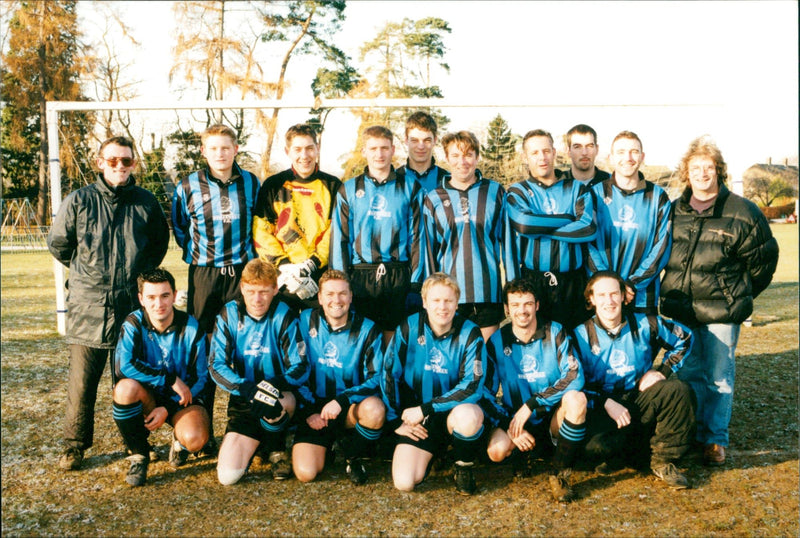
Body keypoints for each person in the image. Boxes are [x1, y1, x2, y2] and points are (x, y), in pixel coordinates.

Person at [48, 136, 170, 471]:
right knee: (82, 383)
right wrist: (88, 274)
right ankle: (74, 446)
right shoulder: (80, 201)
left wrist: (136, 278)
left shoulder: (145, 202)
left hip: (130, 305)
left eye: (126, 161)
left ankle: (137, 443)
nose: (119, 166)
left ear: (134, 164)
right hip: (88, 306)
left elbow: (158, 244)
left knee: (130, 381)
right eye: (112, 160)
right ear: (100, 162)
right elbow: (59, 244)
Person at [660, 137, 779, 466]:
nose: (701, 173)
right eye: (695, 168)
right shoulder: (673, 211)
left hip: (721, 314)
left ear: (719, 171)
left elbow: (763, 262)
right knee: (687, 377)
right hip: (680, 310)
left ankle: (714, 439)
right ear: (686, 172)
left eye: (708, 167)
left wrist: (736, 295)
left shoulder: (742, 211)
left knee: (718, 376)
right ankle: (690, 435)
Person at [171, 123, 261, 455]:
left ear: (236, 149)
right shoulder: (187, 185)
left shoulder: (251, 182)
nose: (220, 154)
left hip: (241, 273)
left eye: (226, 147)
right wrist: (202, 255)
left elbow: (259, 225)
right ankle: (196, 427)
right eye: (214, 148)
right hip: (205, 276)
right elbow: (180, 227)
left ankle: (245, 427)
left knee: (241, 347)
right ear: (203, 151)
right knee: (202, 349)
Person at [573, 271, 695, 490]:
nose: (608, 301)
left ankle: (663, 460)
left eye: (613, 294)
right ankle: (624, 455)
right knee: (593, 448)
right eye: (601, 295)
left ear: (623, 296)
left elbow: (684, 337)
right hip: (603, 406)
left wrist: (663, 371)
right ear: (591, 299)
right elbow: (574, 383)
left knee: (678, 390)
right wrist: (605, 402)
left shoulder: (646, 323)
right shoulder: (579, 334)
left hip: (638, 399)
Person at [208, 259, 311, 485]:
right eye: (252, 291)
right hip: (245, 398)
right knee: (227, 476)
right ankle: (258, 441)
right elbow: (217, 365)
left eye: (264, 292)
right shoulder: (229, 314)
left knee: (284, 403)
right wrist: (245, 387)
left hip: (279, 395)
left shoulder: (284, 314)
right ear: (242, 288)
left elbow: (301, 366)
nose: (257, 299)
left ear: (275, 289)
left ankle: (276, 449)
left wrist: (271, 386)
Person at [483, 278, 586, 502]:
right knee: (496, 451)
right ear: (506, 309)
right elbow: (485, 393)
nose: (522, 311)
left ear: (537, 305)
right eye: (516, 305)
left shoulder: (555, 331)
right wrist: (508, 427)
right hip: (515, 417)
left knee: (577, 400)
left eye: (528, 303)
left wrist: (533, 403)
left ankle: (559, 473)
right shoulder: (496, 341)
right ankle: (524, 452)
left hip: (550, 416)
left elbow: (574, 376)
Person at [382, 273, 487, 495]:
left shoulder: (470, 332)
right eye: (436, 300)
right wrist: (395, 421)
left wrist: (427, 408)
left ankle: (463, 464)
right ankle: (437, 453)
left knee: (469, 416)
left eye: (448, 300)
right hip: (420, 419)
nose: (442, 307)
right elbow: (389, 374)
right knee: (405, 483)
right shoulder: (409, 327)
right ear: (425, 302)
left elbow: (472, 386)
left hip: (452, 413)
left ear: (457, 303)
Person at [112, 268, 210, 486]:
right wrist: (168, 379)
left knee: (195, 439)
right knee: (124, 389)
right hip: (148, 396)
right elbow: (123, 367)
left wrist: (169, 408)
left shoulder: (191, 326)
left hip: (182, 400)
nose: (159, 304)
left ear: (174, 295)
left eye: (165, 296)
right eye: (151, 297)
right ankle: (139, 454)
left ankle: (180, 443)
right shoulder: (133, 324)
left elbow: (201, 377)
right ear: (141, 299)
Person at [330, 125, 425, 340]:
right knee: (361, 338)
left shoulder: (411, 187)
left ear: (393, 150)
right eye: (373, 149)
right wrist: (340, 283)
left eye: (384, 148)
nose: (379, 154)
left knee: (394, 342)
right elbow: (340, 239)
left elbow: (418, 238)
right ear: (364, 152)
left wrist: (416, 285)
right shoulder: (349, 189)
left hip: (397, 274)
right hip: (360, 276)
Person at [292, 270, 385, 485]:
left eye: (343, 294)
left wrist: (342, 400)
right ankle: (331, 445)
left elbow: (376, 377)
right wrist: (309, 411)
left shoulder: (368, 329)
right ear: (320, 298)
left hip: (348, 407)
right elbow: (293, 368)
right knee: (306, 474)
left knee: (375, 409)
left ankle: (352, 454)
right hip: (314, 409)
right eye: (330, 294)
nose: (337, 300)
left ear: (351, 297)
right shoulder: (304, 321)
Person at [504, 129, 596, 329]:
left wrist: (541, 228)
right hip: (533, 282)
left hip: (573, 282)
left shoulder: (577, 188)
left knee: (577, 345)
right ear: (525, 156)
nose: (542, 157)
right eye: (534, 152)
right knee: (540, 346)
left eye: (546, 151)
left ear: (554, 152)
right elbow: (524, 224)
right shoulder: (517, 191)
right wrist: (568, 218)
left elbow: (587, 228)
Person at [423, 130, 506, 341]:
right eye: (456, 156)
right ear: (447, 158)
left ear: (477, 157)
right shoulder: (434, 198)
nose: (463, 161)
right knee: (452, 361)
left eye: (468, 154)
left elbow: (508, 244)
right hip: (448, 297)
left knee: (486, 361)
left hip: (487, 292)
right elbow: (428, 253)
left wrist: (511, 290)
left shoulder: (495, 191)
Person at [252, 124, 341, 312]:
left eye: (309, 148)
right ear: (287, 151)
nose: (304, 155)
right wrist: (285, 266)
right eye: (297, 149)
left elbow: (336, 231)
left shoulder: (333, 185)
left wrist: (311, 264)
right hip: (283, 279)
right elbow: (261, 231)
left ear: (317, 149)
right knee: (284, 336)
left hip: (317, 277)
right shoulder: (273, 185)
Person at [586, 131, 671, 315]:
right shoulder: (594, 195)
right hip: (604, 296)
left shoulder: (658, 197)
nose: (628, 157)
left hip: (641, 294)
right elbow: (587, 244)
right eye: (621, 152)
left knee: (642, 343)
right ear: (611, 157)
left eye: (634, 151)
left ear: (642, 156)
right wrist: (611, 283)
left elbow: (662, 247)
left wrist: (633, 283)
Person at [397, 111, 449, 194]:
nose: (421, 146)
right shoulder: (394, 179)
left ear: (434, 140)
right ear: (406, 140)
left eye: (427, 140)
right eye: (415, 140)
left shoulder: (447, 180)